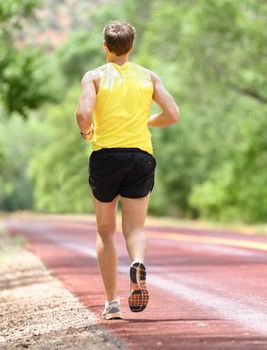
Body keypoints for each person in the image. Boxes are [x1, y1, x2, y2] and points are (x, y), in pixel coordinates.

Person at [75, 21, 180, 320]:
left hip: (106, 157)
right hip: (140, 157)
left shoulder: (94, 77)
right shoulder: (148, 76)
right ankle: (137, 261)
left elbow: (84, 114)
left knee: (105, 230)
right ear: (131, 47)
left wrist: (87, 133)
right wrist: (146, 121)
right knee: (135, 228)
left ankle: (112, 303)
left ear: (105, 46)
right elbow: (173, 114)